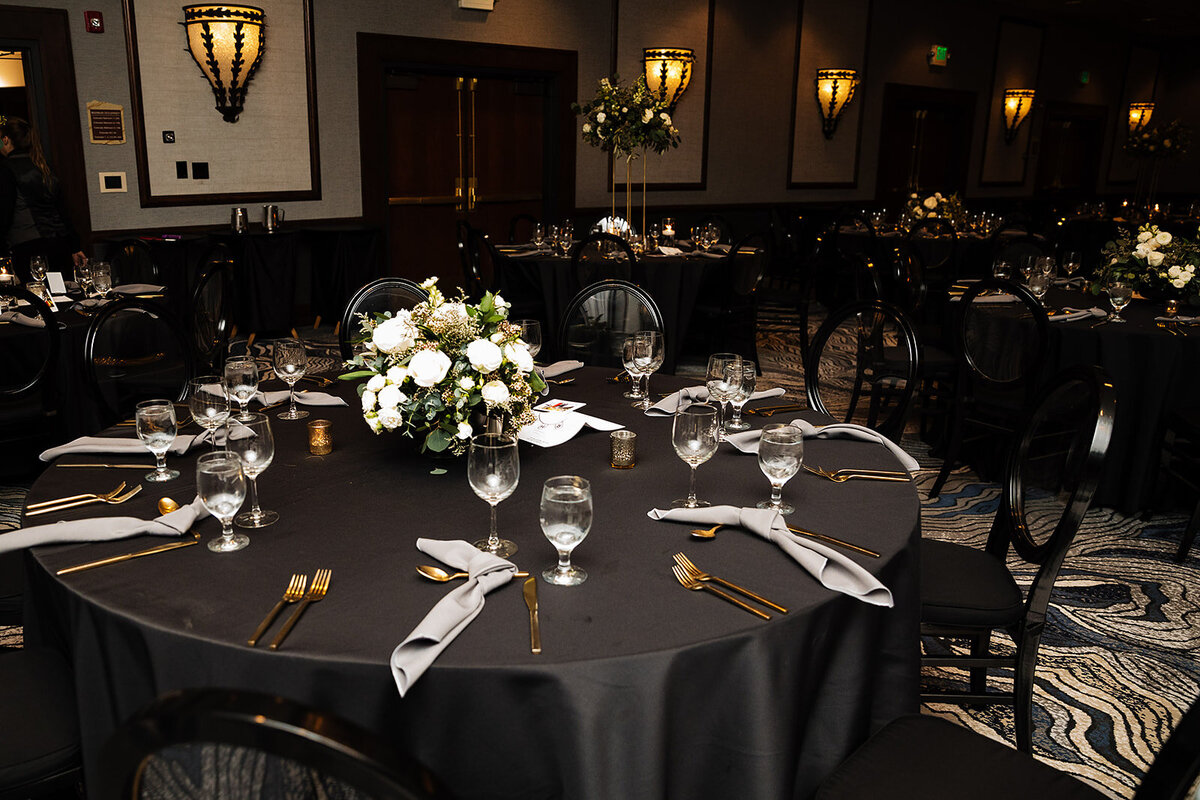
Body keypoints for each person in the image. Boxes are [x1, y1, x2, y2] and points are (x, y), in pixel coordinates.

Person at [0, 115, 87, 282]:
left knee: (34, 300)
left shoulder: (7, 169)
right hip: (59, 243)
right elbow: (62, 210)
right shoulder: (43, 166)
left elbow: (4, 214)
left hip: (27, 246)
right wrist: (75, 245)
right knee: (60, 297)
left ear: (5, 139)